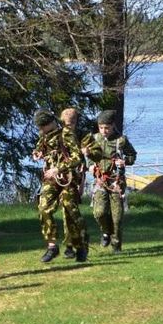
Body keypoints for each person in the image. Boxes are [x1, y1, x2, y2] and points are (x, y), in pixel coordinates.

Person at [32, 109, 88, 263]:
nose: (41, 130)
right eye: (40, 127)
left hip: (68, 178)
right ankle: (52, 246)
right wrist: (37, 154)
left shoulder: (66, 134)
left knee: (70, 211)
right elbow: (39, 149)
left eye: (43, 126)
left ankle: (80, 246)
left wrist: (58, 169)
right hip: (51, 179)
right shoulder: (44, 136)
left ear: (50, 123)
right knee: (43, 208)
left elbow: (77, 157)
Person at [84, 110, 137, 253]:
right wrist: (90, 165)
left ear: (113, 125)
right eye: (101, 127)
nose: (104, 131)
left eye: (107, 128)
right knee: (99, 212)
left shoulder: (121, 140)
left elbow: (132, 155)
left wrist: (124, 161)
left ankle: (116, 246)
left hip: (116, 182)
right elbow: (90, 156)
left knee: (117, 217)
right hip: (100, 180)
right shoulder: (94, 139)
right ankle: (105, 232)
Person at [59, 107, 89, 258]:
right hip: (61, 176)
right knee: (66, 211)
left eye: (70, 124)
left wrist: (87, 152)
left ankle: (81, 240)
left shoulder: (83, 135)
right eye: (65, 124)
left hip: (76, 176)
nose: (67, 127)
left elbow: (90, 154)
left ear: (76, 122)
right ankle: (69, 245)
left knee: (72, 210)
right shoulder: (59, 135)